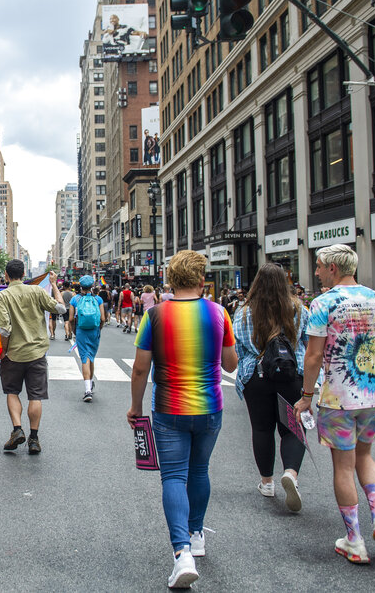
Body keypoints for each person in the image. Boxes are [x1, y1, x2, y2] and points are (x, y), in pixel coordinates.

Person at [127, 250, 237, 589]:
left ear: (170, 280)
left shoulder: (155, 315)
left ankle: (182, 554)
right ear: (202, 280)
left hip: (169, 408)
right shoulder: (219, 313)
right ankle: (197, 534)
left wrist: (136, 408)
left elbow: (141, 368)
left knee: (173, 476)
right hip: (210, 408)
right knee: (200, 471)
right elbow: (231, 365)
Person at [294, 244, 375, 565]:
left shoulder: (323, 303)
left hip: (338, 395)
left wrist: (306, 396)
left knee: (343, 465)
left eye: (319, 267)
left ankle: (354, 539)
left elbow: (312, 356)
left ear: (332, 269)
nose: (316, 272)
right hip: (372, 392)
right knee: (366, 456)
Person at [233, 263, 310, 512]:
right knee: (292, 429)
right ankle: (291, 474)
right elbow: (307, 346)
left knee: (262, 429)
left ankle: (267, 482)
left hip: (257, 377)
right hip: (290, 375)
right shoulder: (299, 310)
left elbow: (239, 349)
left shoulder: (244, 312)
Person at [0, 261, 66, 454]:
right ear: (24, 273)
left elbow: (4, 328)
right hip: (37, 353)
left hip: (14, 354)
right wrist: (53, 284)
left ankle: (17, 430)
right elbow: (61, 309)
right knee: (35, 396)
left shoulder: (2, 295)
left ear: (6, 275)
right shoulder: (37, 292)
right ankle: (34, 439)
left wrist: (4, 351)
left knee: (12, 392)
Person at [70, 275, 106, 403]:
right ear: (92, 286)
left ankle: (87, 390)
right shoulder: (98, 299)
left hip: (81, 330)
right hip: (94, 331)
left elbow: (70, 319)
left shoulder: (75, 299)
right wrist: (99, 329)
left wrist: (74, 331)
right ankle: (90, 384)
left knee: (84, 358)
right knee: (91, 357)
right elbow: (103, 318)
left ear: (80, 286)